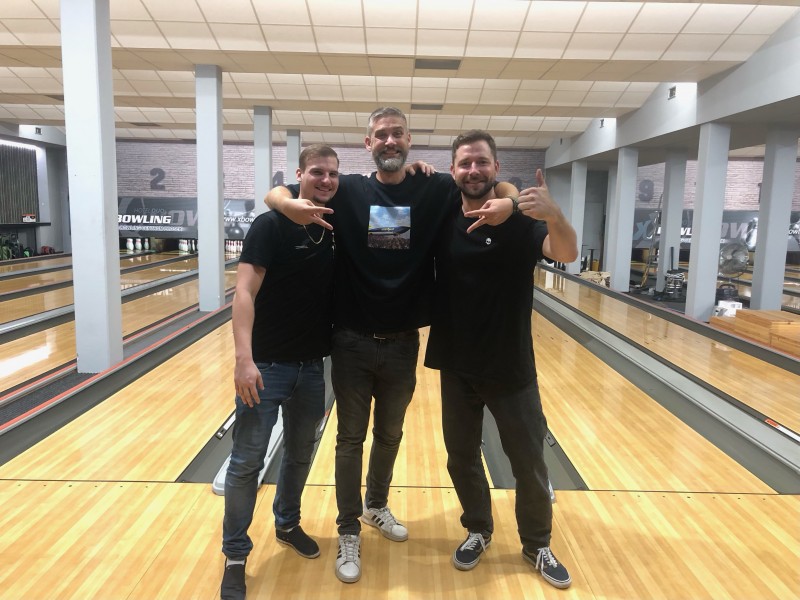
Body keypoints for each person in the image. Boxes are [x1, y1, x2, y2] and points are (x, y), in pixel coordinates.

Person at [265, 107, 518, 584]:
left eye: (397, 133)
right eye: (380, 134)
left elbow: (489, 182)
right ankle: (348, 529)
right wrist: (283, 203)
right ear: (368, 143)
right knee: (349, 438)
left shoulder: (434, 187)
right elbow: (280, 190)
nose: (389, 140)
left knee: (389, 435)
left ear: (409, 139)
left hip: (403, 343)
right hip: (351, 341)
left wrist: (510, 201)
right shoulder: (349, 189)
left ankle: (375, 505)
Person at [424, 130, 578, 590]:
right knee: (461, 458)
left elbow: (566, 253)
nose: (473, 170)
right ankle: (478, 529)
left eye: (482, 162)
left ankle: (536, 543)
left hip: (511, 366)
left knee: (528, 462)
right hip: (456, 364)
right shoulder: (443, 214)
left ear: (496, 167)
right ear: (453, 171)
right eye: (465, 163)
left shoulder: (521, 221)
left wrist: (553, 214)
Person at [220, 145, 339, 600]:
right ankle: (235, 554)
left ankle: (287, 524)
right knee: (247, 461)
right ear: (299, 175)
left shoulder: (333, 226)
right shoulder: (269, 224)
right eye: (316, 172)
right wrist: (243, 359)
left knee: (300, 453)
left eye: (332, 174)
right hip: (265, 366)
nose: (325, 180)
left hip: (312, 368)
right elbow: (244, 292)